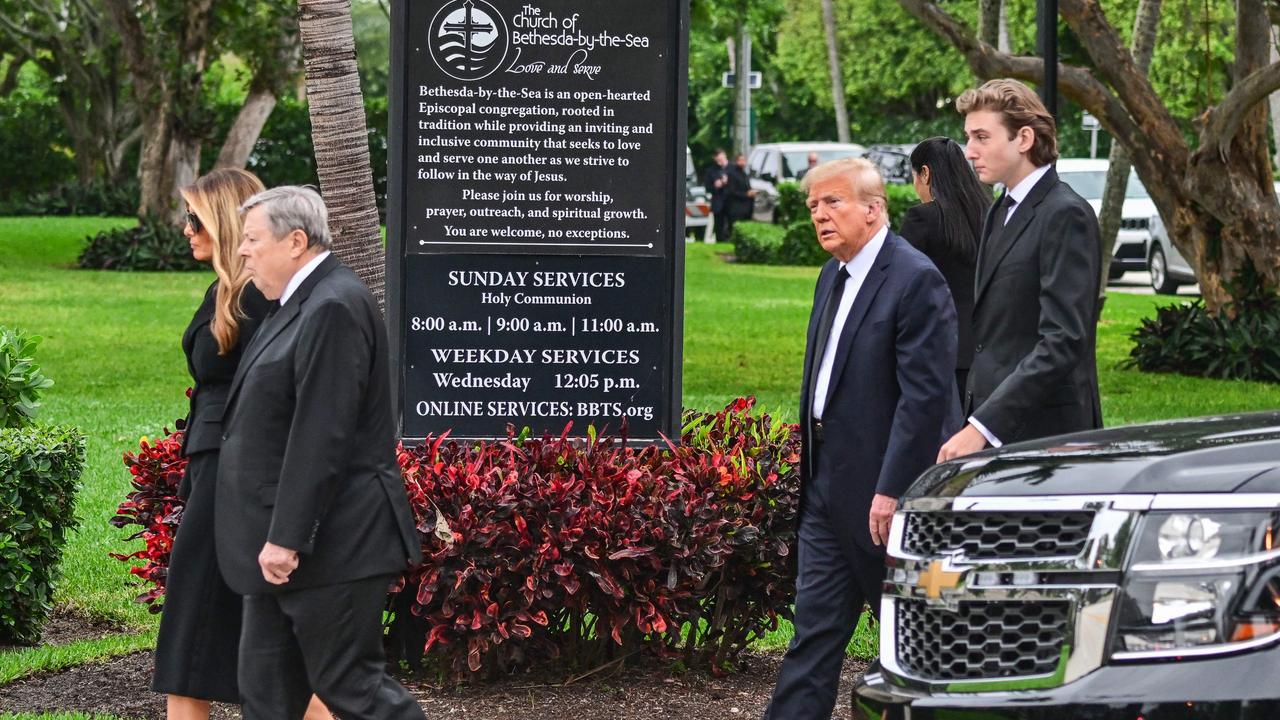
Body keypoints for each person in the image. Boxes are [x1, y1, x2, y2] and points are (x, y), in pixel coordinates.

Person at [214, 186, 425, 720]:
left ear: (296, 242)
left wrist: (286, 538)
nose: (242, 252)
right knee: (265, 692)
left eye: (253, 240)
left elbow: (321, 435)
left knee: (352, 688)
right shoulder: (297, 303)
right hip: (281, 553)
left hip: (331, 545)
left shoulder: (333, 304)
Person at [763, 158, 961, 719]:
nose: (819, 216)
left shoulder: (915, 277)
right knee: (813, 636)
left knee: (919, 645)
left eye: (833, 203)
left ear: (873, 210)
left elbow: (924, 401)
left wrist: (892, 488)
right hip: (827, 488)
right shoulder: (833, 274)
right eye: (813, 207)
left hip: (885, 497)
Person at [153, 169, 333, 720]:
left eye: (195, 218)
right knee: (213, 629)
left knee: (192, 631)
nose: (186, 229)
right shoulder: (229, 292)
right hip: (214, 467)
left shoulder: (259, 297)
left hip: (233, 474)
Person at [938, 78, 1103, 462]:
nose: (969, 152)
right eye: (968, 137)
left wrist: (982, 427)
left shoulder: (1066, 214)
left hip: (1048, 438)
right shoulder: (999, 208)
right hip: (996, 431)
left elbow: (1063, 341)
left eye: (981, 137)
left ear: (1024, 138)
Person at [898, 136, 991, 400]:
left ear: (925, 173)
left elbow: (900, 279)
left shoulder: (922, 218)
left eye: (914, 177)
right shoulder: (991, 213)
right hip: (987, 347)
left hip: (937, 347)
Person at [704, 148, 732, 242]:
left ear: (725, 156)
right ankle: (720, 240)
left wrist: (727, 182)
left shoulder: (733, 169)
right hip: (718, 202)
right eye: (718, 160)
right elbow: (707, 188)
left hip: (731, 202)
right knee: (719, 225)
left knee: (730, 224)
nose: (720, 162)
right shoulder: (711, 171)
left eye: (721, 159)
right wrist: (716, 185)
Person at [726, 152, 756, 230]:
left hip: (746, 207)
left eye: (744, 160)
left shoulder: (744, 174)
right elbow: (732, 191)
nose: (743, 162)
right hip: (736, 208)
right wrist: (746, 194)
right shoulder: (733, 174)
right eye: (740, 160)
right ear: (736, 161)